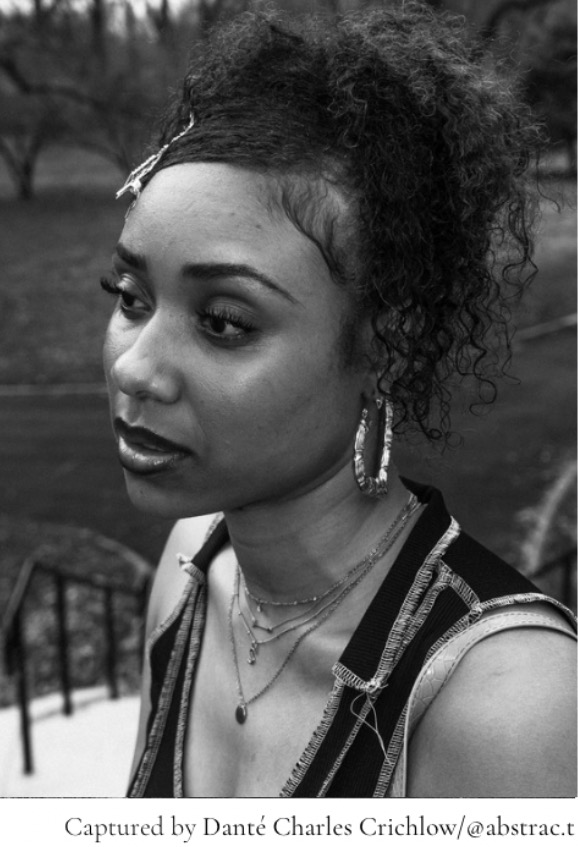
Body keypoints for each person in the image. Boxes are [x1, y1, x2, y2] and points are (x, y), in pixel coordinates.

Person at [101, 3, 576, 797]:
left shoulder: (509, 705)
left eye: (223, 322)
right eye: (129, 295)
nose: (136, 369)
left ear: (385, 346)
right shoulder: (188, 573)